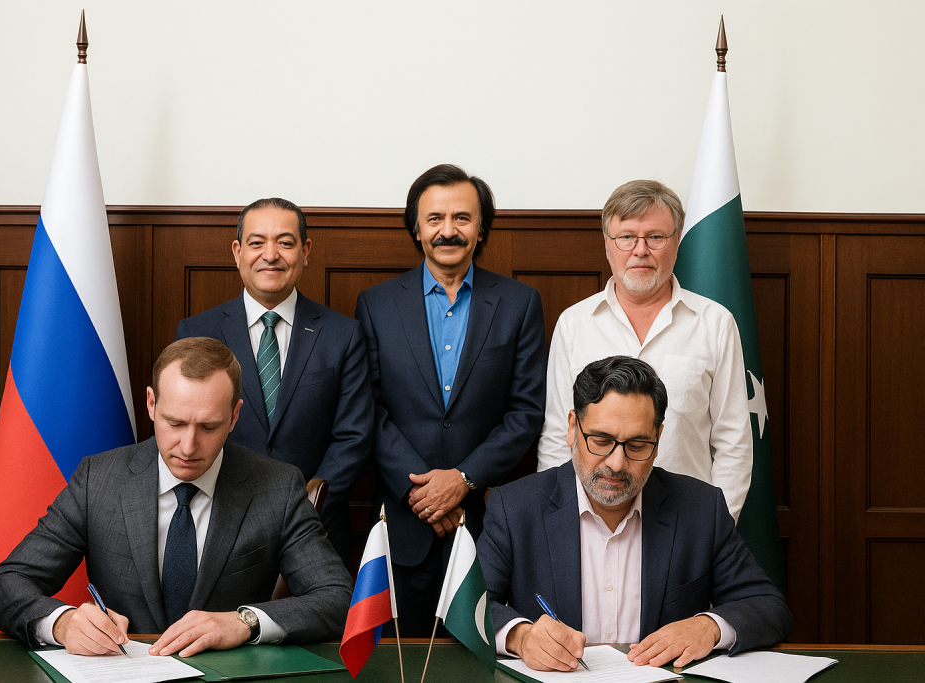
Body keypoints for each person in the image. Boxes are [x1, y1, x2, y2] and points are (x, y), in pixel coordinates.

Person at [0, 337, 353, 656]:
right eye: (175, 423)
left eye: (208, 426)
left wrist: (244, 621)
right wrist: (61, 623)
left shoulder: (278, 487)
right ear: (151, 404)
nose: (188, 446)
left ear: (235, 416)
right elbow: (5, 585)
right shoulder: (99, 479)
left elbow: (337, 599)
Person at [479, 356, 791, 672]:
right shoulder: (514, 507)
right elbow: (472, 607)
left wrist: (708, 627)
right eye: (601, 441)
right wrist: (521, 636)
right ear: (573, 428)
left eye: (638, 445)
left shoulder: (700, 509)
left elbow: (770, 606)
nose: (616, 463)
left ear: (657, 442)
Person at [354, 164, 547, 636]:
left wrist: (462, 481)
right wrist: (425, 495)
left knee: (482, 654)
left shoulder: (519, 303)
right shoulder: (375, 304)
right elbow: (368, 411)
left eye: (462, 218)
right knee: (402, 662)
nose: (448, 230)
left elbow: (525, 412)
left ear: (481, 229)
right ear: (415, 228)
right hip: (404, 523)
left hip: (485, 523)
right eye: (434, 218)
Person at [536, 180, 752, 522]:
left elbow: (734, 444)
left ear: (676, 242)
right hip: (590, 519)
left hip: (686, 522)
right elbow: (556, 437)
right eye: (626, 237)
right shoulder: (574, 323)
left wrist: (714, 529)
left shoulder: (716, 323)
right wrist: (558, 521)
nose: (640, 250)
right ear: (607, 244)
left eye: (655, 237)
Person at [176, 197, 372, 562]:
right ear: (237, 252)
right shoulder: (196, 332)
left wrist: (307, 501)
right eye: (256, 242)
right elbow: (186, 429)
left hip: (315, 527)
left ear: (305, 250)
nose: (271, 254)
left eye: (285, 242)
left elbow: (354, 435)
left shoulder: (342, 334)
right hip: (219, 523)